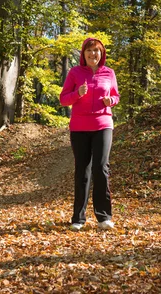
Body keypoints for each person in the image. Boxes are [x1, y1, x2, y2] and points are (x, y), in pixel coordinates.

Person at [59, 38, 120, 231]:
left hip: (103, 124)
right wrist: (77, 93)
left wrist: (111, 100)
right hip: (79, 127)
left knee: (101, 168)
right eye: (90, 51)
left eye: (97, 51)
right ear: (83, 54)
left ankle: (104, 217)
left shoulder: (109, 73)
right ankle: (78, 218)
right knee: (82, 170)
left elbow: (116, 96)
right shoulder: (75, 73)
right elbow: (63, 99)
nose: (93, 54)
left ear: (101, 54)